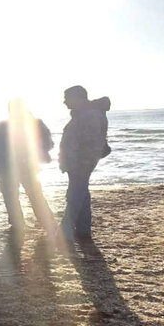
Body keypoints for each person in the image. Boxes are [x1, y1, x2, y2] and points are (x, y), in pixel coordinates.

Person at [0, 99, 56, 235]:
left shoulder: (4, 126)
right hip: (19, 166)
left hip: (12, 167)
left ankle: (22, 223)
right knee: (32, 194)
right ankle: (43, 221)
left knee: (18, 195)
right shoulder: (33, 124)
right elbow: (48, 144)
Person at [59, 86, 111, 241]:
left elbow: (90, 143)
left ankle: (64, 233)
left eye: (67, 98)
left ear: (77, 98)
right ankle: (83, 230)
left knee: (74, 195)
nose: (64, 102)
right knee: (81, 194)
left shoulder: (90, 115)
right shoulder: (85, 114)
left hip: (81, 163)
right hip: (78, 162)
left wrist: (77, 163)